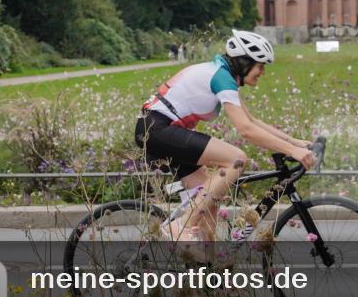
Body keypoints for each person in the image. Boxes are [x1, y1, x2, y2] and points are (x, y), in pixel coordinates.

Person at [135, 29, 315, 255]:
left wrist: (294, 143)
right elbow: (246, 130)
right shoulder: (221, 77)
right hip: (157, 130)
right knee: (237, 160)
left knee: (209, 208)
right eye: (260, 65)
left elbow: (251, 120)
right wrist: (293, 151)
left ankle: (207, 273)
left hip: (162, 131)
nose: (263, 72)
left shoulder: (223, 76)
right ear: (244, 62)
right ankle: (180, 225)